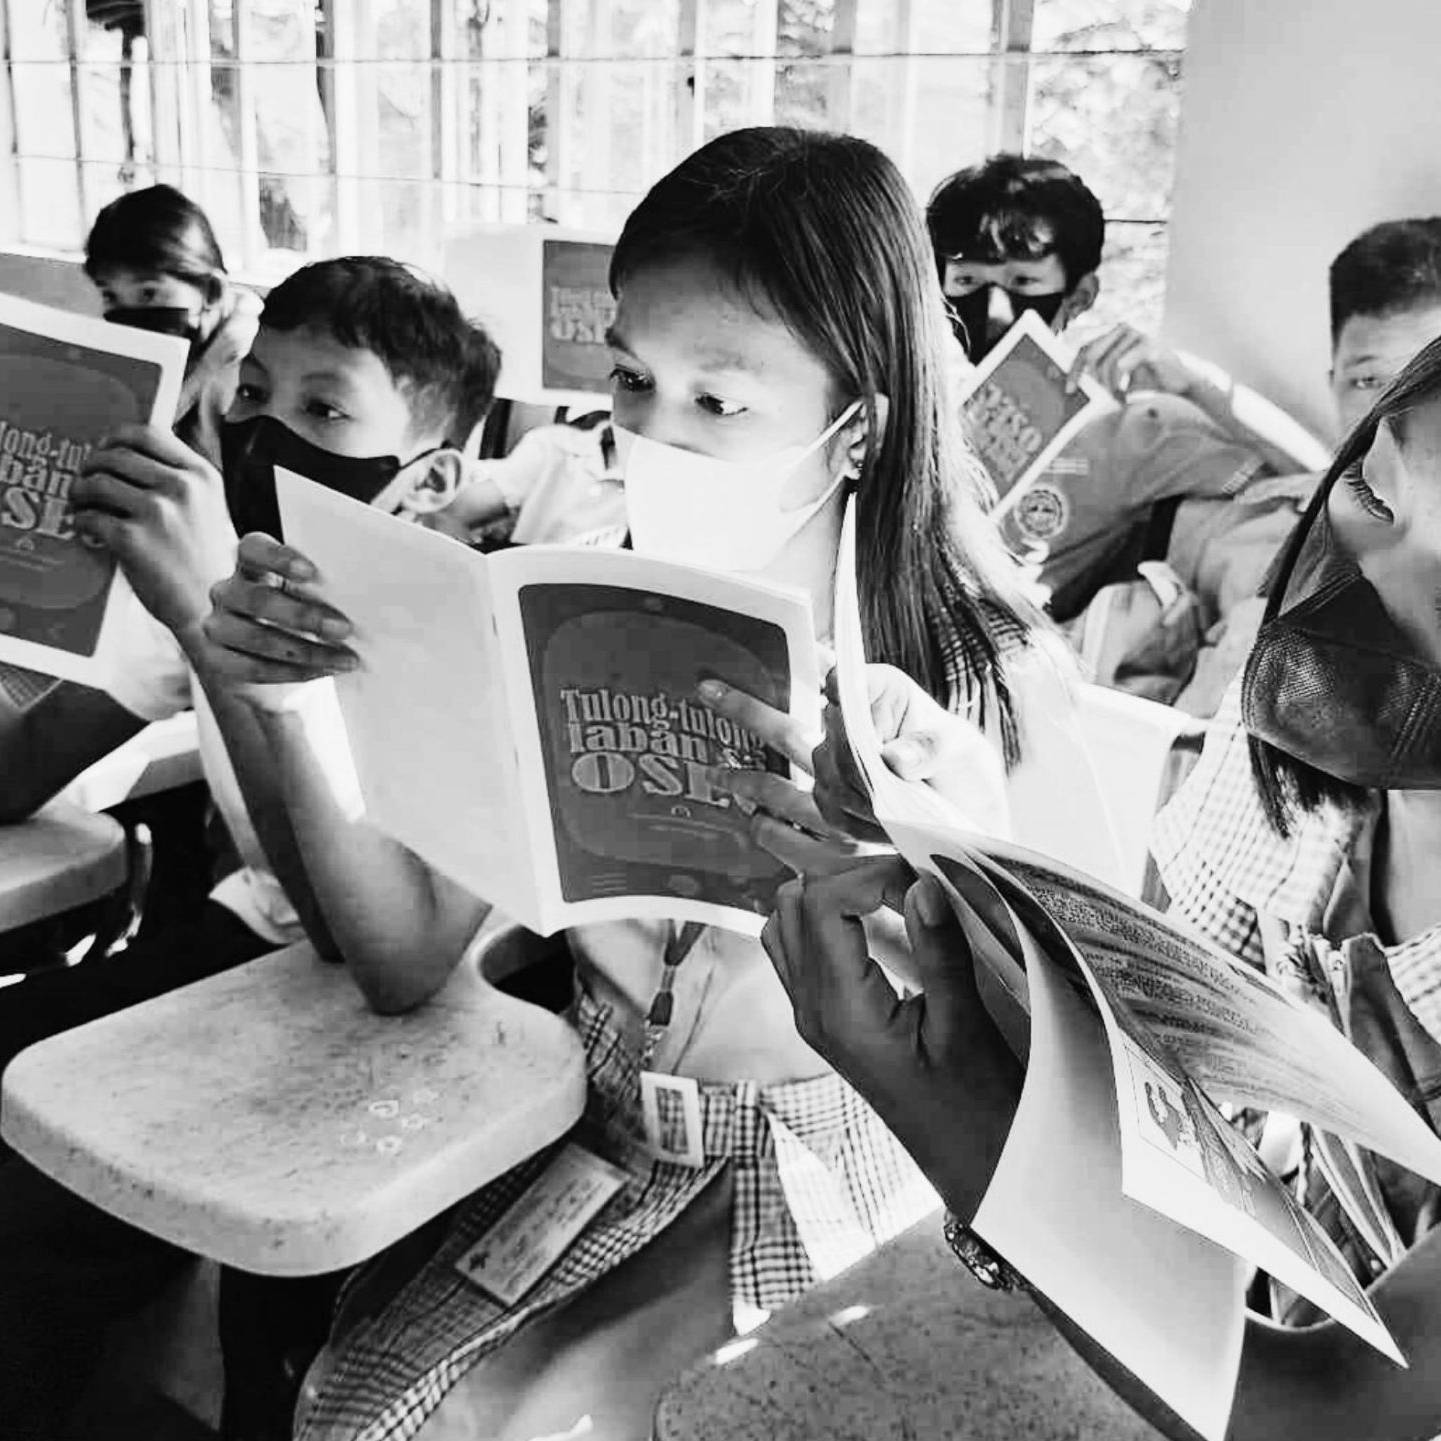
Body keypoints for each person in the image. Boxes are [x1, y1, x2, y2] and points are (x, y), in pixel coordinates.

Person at [192, 125, 1087, 1441]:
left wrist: (950, 866)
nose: (651, 439)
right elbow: (399, 955)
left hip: (843, 1179)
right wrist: (290, 706)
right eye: (628, 381)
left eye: (719, 403)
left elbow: (1080, 1098)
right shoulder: (565, 611)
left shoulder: (988, 678)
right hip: (586, 1135)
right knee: (347, 1403)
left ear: (858, 428)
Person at [759, 331, 1441, 1441]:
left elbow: (1317, 1416)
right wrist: (962, 872)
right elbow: (1156, 1091)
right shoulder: (1292, 767)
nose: (1365, 564)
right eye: (1374, 483)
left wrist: (949, 1112)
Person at [0, 255, 499, 1441]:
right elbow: (18, 775)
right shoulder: (216, 574)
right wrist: (40, 594)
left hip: (421, 1039)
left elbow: (365, 950)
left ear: (426, 478)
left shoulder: (463, 638)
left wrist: (199, 614)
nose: (267, 436)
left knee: (38, 1219)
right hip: (242, 951)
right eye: (252, 394)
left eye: (324, 410)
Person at [926, 153, 1319, 624]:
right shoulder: (922, 400)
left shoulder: (1131, 429)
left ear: (1081, 295)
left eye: (1023, 281)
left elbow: (1324, 487)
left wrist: (1198, 382)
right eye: (967, 280)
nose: (992, 309)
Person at [84, 183, 263, 469]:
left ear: (212, 291)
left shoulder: (250, 374)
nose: (129, 316)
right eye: (111, 296)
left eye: (149, 293)